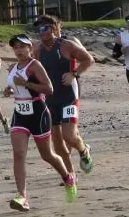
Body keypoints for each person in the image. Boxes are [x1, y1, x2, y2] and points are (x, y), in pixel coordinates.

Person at [3, 36, 77, 211]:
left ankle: (68, 178)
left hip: (38, 112)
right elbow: (14, 87)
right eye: (16, 47)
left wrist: (26, 83)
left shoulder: (35, 65)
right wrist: (8, 90)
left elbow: (49, 89)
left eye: (22, 47)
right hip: (20, 114)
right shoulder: (13, 68)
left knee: (47, 155)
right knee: (18, 154)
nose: (19, 50)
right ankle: (22, 197)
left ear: (30, 48)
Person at [33, 15, 95, 176]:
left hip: (68, 96)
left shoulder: (66, 45)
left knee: (69, 136)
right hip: (49, 99)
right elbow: (32, 69)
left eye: (45, 28)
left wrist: (74, 74)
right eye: (39, 29)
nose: (42, 31)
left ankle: (84, 151)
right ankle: (70, 174)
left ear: (54, 28)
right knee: (57, 142)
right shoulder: (37, 49)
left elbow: (88, 59)